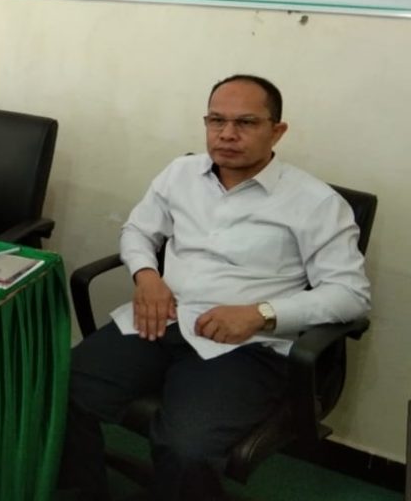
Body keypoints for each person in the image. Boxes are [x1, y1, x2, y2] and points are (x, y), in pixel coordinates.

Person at [63, 74, 371, 501]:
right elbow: (138, 230)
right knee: (60, 393)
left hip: (243, 347)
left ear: (276, 130)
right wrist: (146, 276)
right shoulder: (180, 173)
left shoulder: (315, 203)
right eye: (216, 121)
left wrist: (260, 313)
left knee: (186, 448)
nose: (227, 134)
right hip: (161, 321)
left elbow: (351, 295)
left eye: (246, 123)